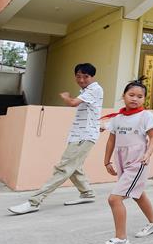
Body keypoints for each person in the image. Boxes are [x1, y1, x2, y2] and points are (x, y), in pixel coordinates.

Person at [8, 63, 104, 215]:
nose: (81, 79)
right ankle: (87, 194)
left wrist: (66, 97)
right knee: (74, 167)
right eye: (78, 76)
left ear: (92, 77)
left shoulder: (94, 89)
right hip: (80, 134)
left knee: (64, 168)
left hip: (84, 136)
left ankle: (34, 202)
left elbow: (73, 103)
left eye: (86, 76)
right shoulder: (87, 90)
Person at [95, 78, 153, 244]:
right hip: (121, 159)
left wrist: (147, 155)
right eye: (131, 95)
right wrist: (107, 161)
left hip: (138, 160)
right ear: (123, 96)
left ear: (144, 99)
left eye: (140, 96)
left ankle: (121, 238)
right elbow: (111, 140)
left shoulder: (146, 116)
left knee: (114, 199)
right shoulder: (117, 118)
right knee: (137, 194)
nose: (135, 99)